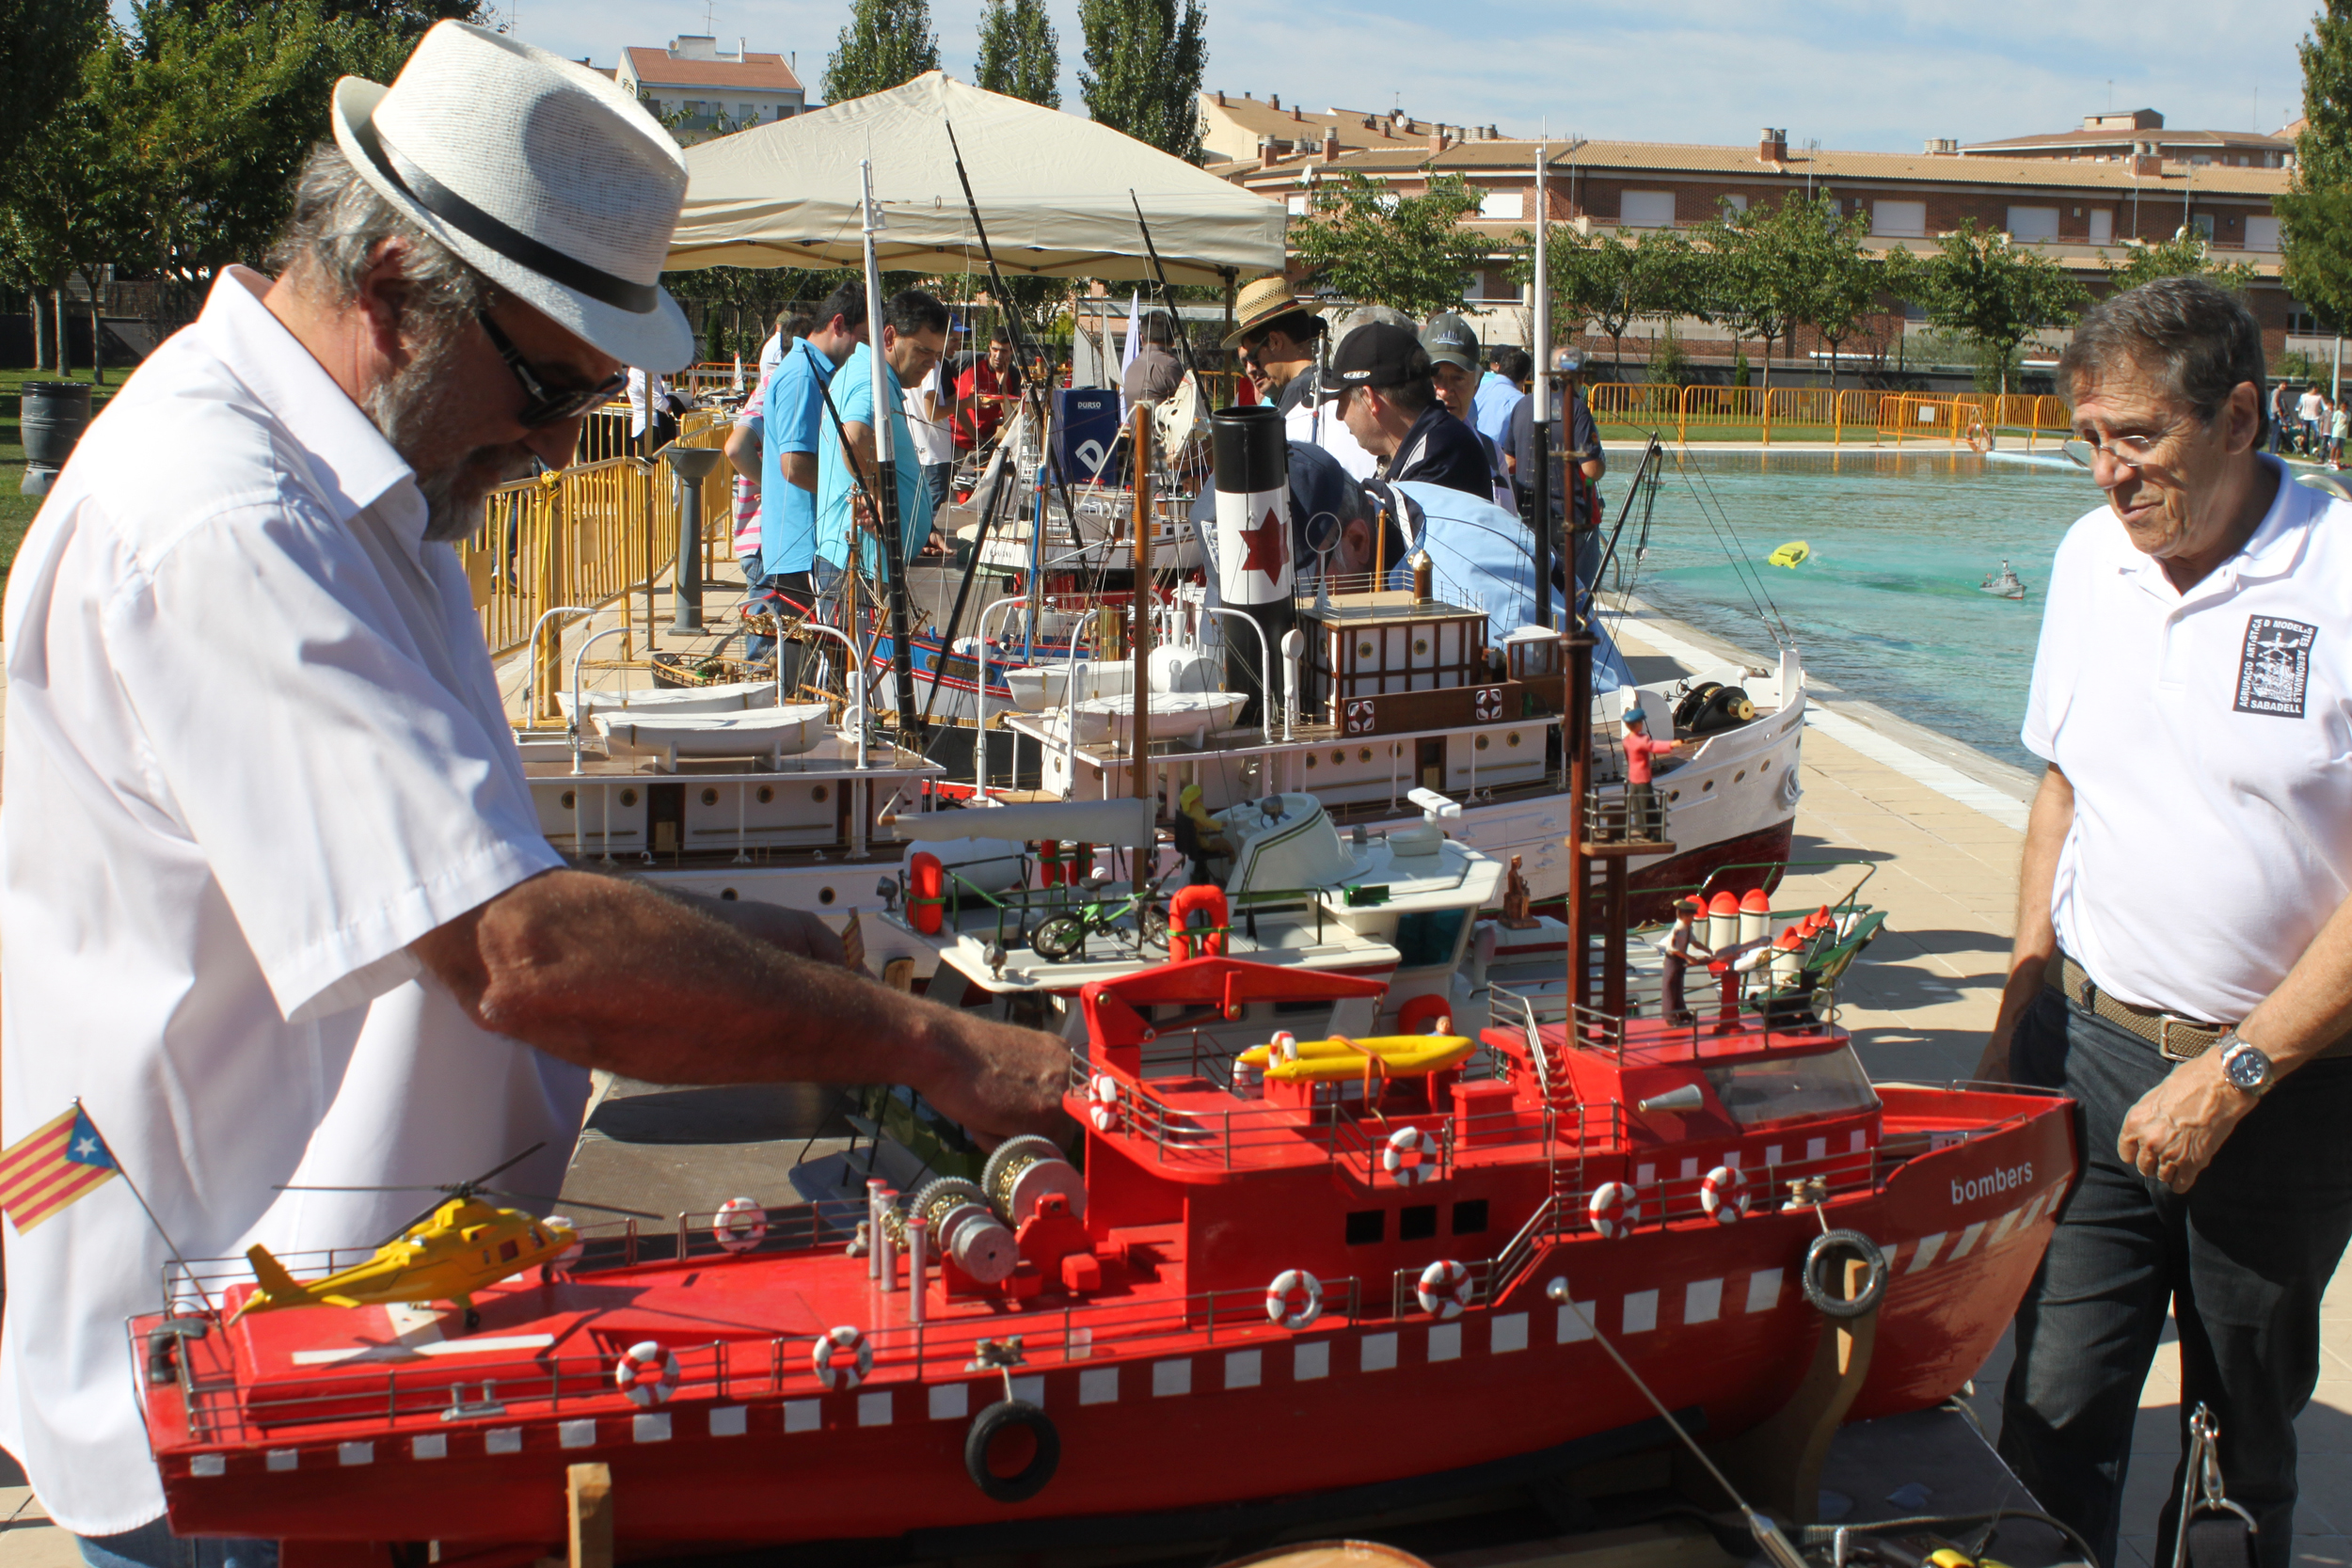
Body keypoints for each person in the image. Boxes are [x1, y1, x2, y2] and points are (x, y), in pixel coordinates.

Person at [0, 24, 1069, 1562]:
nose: (560, 445)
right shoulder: (222, 524)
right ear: (386, 293)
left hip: (325, 1335)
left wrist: (794, 952)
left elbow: (469, 872)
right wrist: (928, 1043)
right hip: (230, 1393)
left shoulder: (368, 490)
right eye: (547, 385)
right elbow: (511, 948)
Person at [1979, 276, 2352, 1568]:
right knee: (2054, 1403)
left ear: (2241, 415)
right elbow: (2063, 782)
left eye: (2136, 436)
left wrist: (2239, 1069)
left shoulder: (2344, 574)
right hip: (2093, 1051)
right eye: (2088, 436)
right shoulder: (2092, 561)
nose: (2107, 472)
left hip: (2289, 1083)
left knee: (2240, 1432)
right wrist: (2019, 1004)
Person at [815, 289, 950, 611]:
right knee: (853, 661)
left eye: (936, 356)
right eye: (922, 351)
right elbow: (854, 438)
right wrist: (876, 494)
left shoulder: (873, 377)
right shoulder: (872, 381)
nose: (930, 365)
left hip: (865, 563)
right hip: (857, 567)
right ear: (889, 336)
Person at [751, 281, 867, 613]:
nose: (862, 352)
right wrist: (851, 493)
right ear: (839, 325)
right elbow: (794, 464)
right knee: (799, 657)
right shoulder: (803, 374)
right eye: (862, 340)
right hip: (799, 550)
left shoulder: (813, 370)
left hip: (804, 546)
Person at [1327, 322, 1490, 500]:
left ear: (1369, 398)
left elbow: (1398, 522)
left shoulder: (1439, 456)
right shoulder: (1430, 445)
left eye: (1342, 401)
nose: (1339, 415)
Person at [1421, 312, 1515, 508]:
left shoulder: (1492, 455)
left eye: (1458, 378)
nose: (1445, 391)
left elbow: (1507, 530)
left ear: (1476, 383)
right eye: (1435, 377)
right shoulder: (1394, 451)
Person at [1221, 275, 1328, 416]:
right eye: (1244, 362)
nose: (1250, 369)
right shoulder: (1331, 383)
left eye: (1253, 356)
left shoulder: (1297, 394)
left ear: (1275, 342)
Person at [905, 337, 958, 519]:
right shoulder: (933, 367)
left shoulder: (911, 365)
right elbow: (932, 412)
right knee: (932, 514)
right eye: (952, 339)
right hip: (934, 453)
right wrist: (966, 403)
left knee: (918, 512)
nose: (957, 345)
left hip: (917, 450)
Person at [955, 327, 1021, 454]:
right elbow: (942, 361)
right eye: (994, 349)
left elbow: (1010, 419)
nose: (998, 356)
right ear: (989, 346)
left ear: (1012, 350)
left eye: (1004, 351)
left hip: (984, 440)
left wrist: (1002, 387)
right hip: (956, 436)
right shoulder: (969, 361)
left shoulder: (1013, 375)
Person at [1618, 708, 1680, 840]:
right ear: (1637, 724)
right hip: (1642, 777)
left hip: (1632, 777)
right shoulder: (1641, 740)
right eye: (1640, 722)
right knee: (1648, 803)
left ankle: (1642, 829)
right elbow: (1653, 746)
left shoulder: (1626, 741)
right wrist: (1672, 744)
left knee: (1637, 804)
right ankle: (1655, 832)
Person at [1656, 896, 1707, 1026]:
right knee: (1669, 988)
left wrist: (1707, 950)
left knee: (1678, 987)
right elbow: (1673, 949)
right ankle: (1671, 1017)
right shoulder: (1678, 929)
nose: (1693, 919)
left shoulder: (1687, 928)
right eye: (1691, 916)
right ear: (1684, 915)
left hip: (1680, 961)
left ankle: (1682, 1012)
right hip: (1673, 960)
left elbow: (1694, 941)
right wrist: (1690, 958)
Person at [1476, 347, 1531, 461]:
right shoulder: (1522, 403)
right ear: (1525, 377)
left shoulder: (1476, 391)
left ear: (1499, 367)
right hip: (1498, 467)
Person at [1122, 309, 1184, 406]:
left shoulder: (1130, 367)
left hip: (1133, 421)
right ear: (1173, 341)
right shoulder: (1172, 366)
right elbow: (1193, 408)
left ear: (1142, 338)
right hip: (1159, 421)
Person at [626, 363, 676, 456]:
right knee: (650, 465)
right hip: (648, 425)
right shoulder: (641, 370)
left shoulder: (646, 369)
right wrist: (669, 405)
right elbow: (657, 400)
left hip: (651, 423)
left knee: (652, 465)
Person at [2270, 378, 2297, 456]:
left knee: (2275, 432)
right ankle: (2274, 451)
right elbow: (2274, 402)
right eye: (2283, 384)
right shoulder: (2277, 391)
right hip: (2277, 414)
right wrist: (2278, 412)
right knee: (2277, 433)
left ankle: (2273, 449)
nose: (2285, 386)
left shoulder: (2278, 392)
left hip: (2276, 414)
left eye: (2286, 384)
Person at [2297, 380, 2326, 455]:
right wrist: (2300, 414)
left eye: (2317, 388)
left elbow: (2324, 407)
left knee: (2317, 432)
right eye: (2315, 388)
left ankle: (2314, 447)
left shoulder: (2319, 396)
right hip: (2305, 417)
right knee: (2305, 434)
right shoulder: (2304, 396)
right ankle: (2306, 451)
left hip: (2315, 417)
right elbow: (2298, 406)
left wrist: (2323, 415)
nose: (2316, 389)